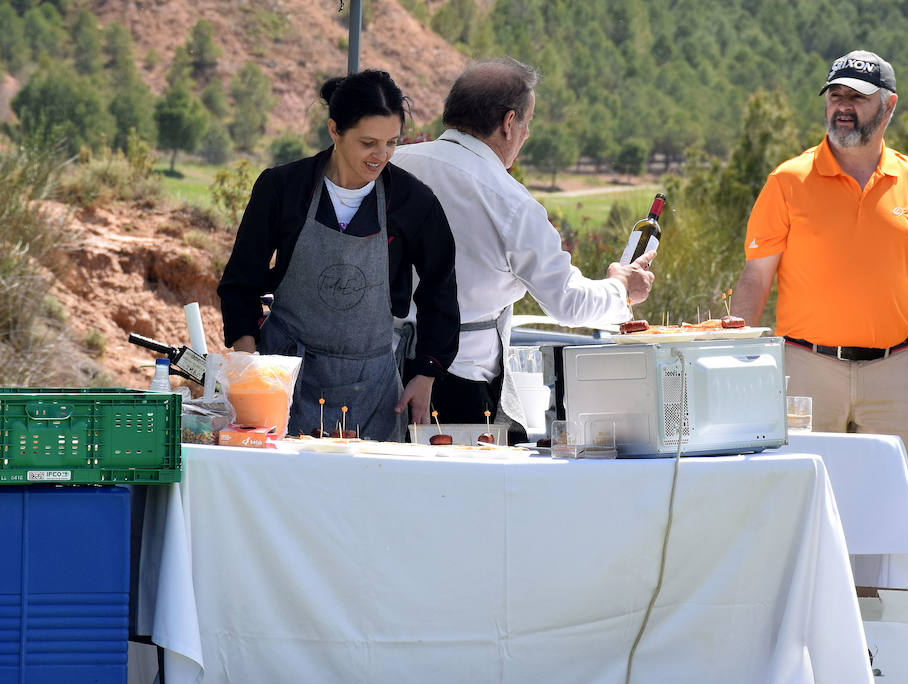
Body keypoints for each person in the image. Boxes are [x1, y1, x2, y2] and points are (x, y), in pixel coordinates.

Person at [731, 49, 908, 501]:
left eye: (857, 97)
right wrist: (735, 360)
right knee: (799, 510)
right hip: (805, 370)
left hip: (896, 372)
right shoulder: (787, 181)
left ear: (889, 105)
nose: (842, 106)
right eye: (835, 95)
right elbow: (754, 279)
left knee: (896, 513)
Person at [391, 58, 655, 432]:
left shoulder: (391, 166)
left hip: (372, 370)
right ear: (509, 122)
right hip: (456, 385)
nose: (526, 135)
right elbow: (567, 302)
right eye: (527, 124)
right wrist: (621, 289)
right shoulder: (511, 203)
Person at [217, 69, 460, 442]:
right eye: (367, 143)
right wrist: (249, 368)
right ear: (334, 130)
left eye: (392, 143)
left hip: (373, 388)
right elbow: (240, 282)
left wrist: (425, 374)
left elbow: (440, 289)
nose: (381, 155)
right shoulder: (283, 188)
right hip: (283, 381)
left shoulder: (414, 202)